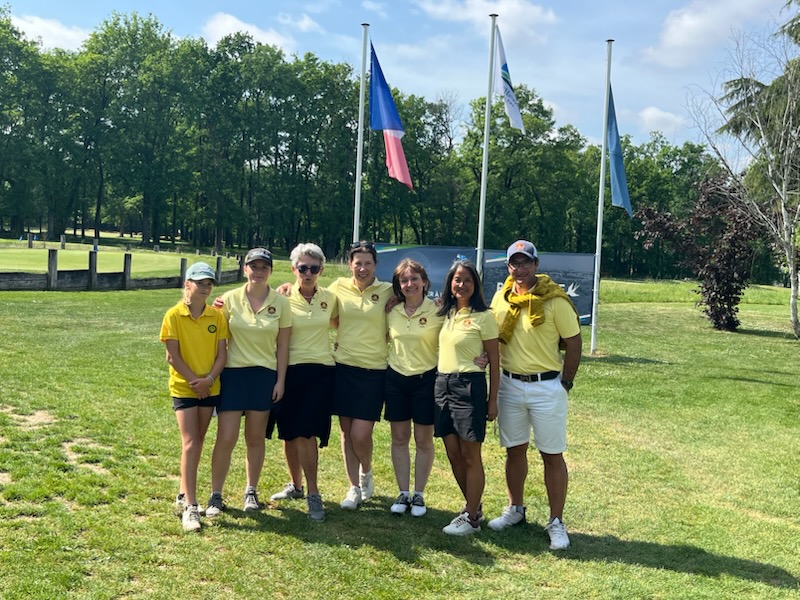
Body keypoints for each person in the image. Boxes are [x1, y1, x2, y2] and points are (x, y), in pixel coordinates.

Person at [487, 240, 582, 551]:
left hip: (547, 386)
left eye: (525, 262)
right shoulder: (501, 298)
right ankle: (515, 509)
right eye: (514, 263)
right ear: (508, 266)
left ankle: (556, 520)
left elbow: (574, 342)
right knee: (514, 451)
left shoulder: (554, 300)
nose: (520, 268)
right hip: (511, 385)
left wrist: (564, 383)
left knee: (551, 455)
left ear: (536, 265)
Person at [205, 248, 291, 516]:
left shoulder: (281, 303)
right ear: (245, 269)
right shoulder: (229, 300)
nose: (258, 271)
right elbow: (215, 336)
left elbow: (284, 347)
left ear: (271, 271)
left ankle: (250, 490)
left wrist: (280, 381)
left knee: (255, 438)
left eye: (264, 266)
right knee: (226, 438)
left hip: (264, 376)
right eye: (253, 266)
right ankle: (215, 494)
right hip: (233, 375)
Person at [268, 243, 337, 522]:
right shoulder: (280, 297)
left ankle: (313, 492)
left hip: (320, 372)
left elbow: (349, 321)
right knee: (289, 432)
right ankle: (295, 485)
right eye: (303, 268)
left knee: (307, 434)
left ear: (321, 270)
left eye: (314, 268)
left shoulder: (331, 298)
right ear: (293, 269)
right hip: (289, 371)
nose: (308, 273)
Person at [159, 262, 228, 532]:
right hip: (185, 387)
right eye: (200, 283)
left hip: (210, 387)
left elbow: (222, 354)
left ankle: (182, 492)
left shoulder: (217, 316)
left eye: (209, 283)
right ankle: (191, 506)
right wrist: (194, 381)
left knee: (198, 442)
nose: (205, 288)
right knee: (190, 443)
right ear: (187, 284)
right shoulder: (173, 315)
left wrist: (209, 380)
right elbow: (171, 356)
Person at [435, 259, 499, 536]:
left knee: (471, 454)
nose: (462, 285)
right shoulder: (444, 313)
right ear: (450, 283)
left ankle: (471, 518)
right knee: (453, 453)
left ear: (476, 286)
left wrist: (492, 400)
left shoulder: (484, 317)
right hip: (442, 384)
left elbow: (495, 362)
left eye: (468, 280)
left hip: (468, 385)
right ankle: (473, 506)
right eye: (457, 280)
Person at [328, 241, 394, 510]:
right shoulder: (338, 288)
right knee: (346, 433)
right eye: (358, 263)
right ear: (349, 264)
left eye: (368, 263)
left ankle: (366, 472)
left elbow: (411, 310)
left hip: (374, 371)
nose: (363, 268)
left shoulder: (389, 291)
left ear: (375, 265)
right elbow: (329, 315)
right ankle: (353, 487)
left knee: (360, 434)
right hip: (343, 368)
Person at [384, 259, 443, 517]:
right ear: (399, 285)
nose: (410, 284)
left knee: (423, 440)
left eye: (414, 279)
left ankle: (419, 494)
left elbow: (456, 338)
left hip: (426, 380)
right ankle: (403, 492)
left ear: (425, 282)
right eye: (404, 280)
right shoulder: (391, 310)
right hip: (396, 378)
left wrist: (480, 357)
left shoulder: (438, 310)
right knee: (399, 438)